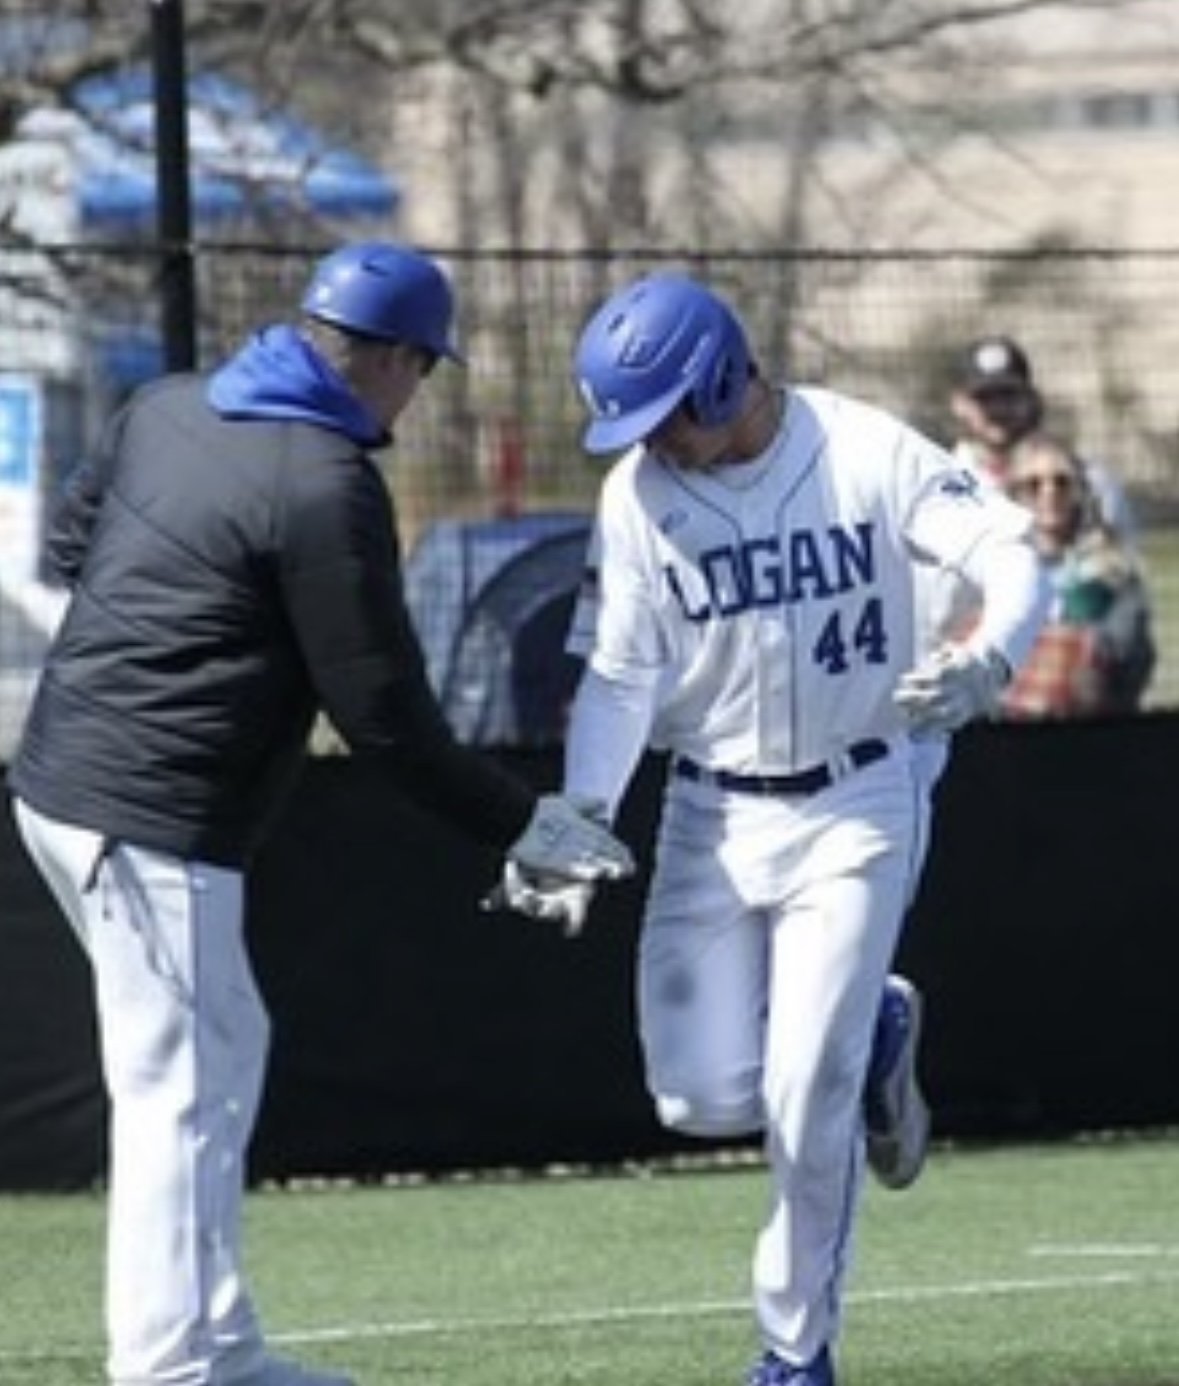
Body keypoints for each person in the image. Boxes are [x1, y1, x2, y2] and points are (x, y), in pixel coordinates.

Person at [5, 241, 633, 1386]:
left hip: (64, 792)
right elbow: (386, 719)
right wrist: (527, 824)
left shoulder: (171, 403)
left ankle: (211, 1342)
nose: (419, 392)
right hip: (149, 819)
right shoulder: (324, 483)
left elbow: (68, 550)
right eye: (424, 369)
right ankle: (173, 1366)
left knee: (218, 1051)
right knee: (180, 1086)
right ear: (387, 357)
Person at [497, 272, 1051, 1386]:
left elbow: (1012, 554)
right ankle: (880, 1030)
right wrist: (581, 814)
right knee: (697, 1098)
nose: (649, 444)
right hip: (711, 809)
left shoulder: (860, 447)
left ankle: (795, 1354)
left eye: (661, 418)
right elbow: (617, 676)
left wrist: (990, 657)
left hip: (859, 796)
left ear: (715, 379)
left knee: (809, 1094)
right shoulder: (638, 497)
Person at [999, 431, 1155, 717]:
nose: (1050, 492)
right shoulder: (992, 570)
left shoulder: (1114, 568)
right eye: (1033, 484)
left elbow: (1131, 654)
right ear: (1015, 495)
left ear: (1080, 489)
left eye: (1062, 481)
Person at [949, 333, 1137, 547]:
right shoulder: (940, 483)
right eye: (985, 397)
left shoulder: (1089, 480)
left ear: (1032, 398)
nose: (999, 408)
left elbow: (1122, 566)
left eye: (1009, 394)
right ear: (959, 403)